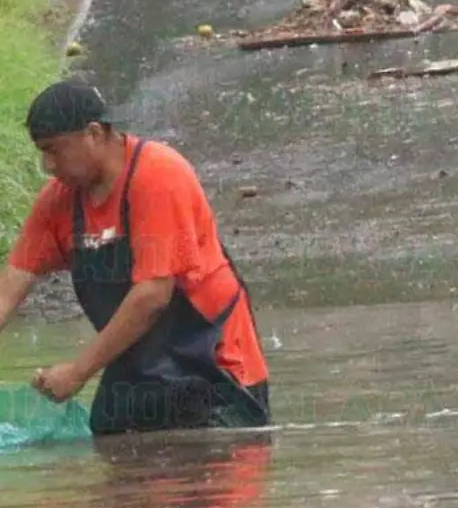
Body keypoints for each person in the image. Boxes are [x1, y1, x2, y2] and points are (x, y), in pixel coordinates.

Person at [0, 79, 271, 435]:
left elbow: (153, 295)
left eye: (54, 150)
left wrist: (78, 370)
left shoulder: (159, 175)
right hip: (137, 366)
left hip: (217, 370)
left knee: (206, 471)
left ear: (94, 133)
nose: (47, 165)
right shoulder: (58, 200)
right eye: (42, 152)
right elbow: (9, 289)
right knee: (117, 465)